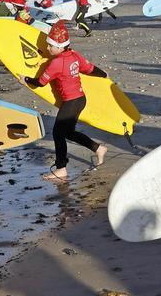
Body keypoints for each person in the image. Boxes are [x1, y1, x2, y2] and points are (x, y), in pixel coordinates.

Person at [28, 21, 108, 183]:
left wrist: (26, 79)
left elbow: (41, 82)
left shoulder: (56, 63)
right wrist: (104, 74)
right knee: (68, 132)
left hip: (71, 102)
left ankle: (61, 168)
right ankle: (98, 148)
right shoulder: (74, 55)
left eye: (50, 46)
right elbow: (90, 69)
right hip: (80, 99)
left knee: (58, 133)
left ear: (59, 47)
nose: (47, 48)